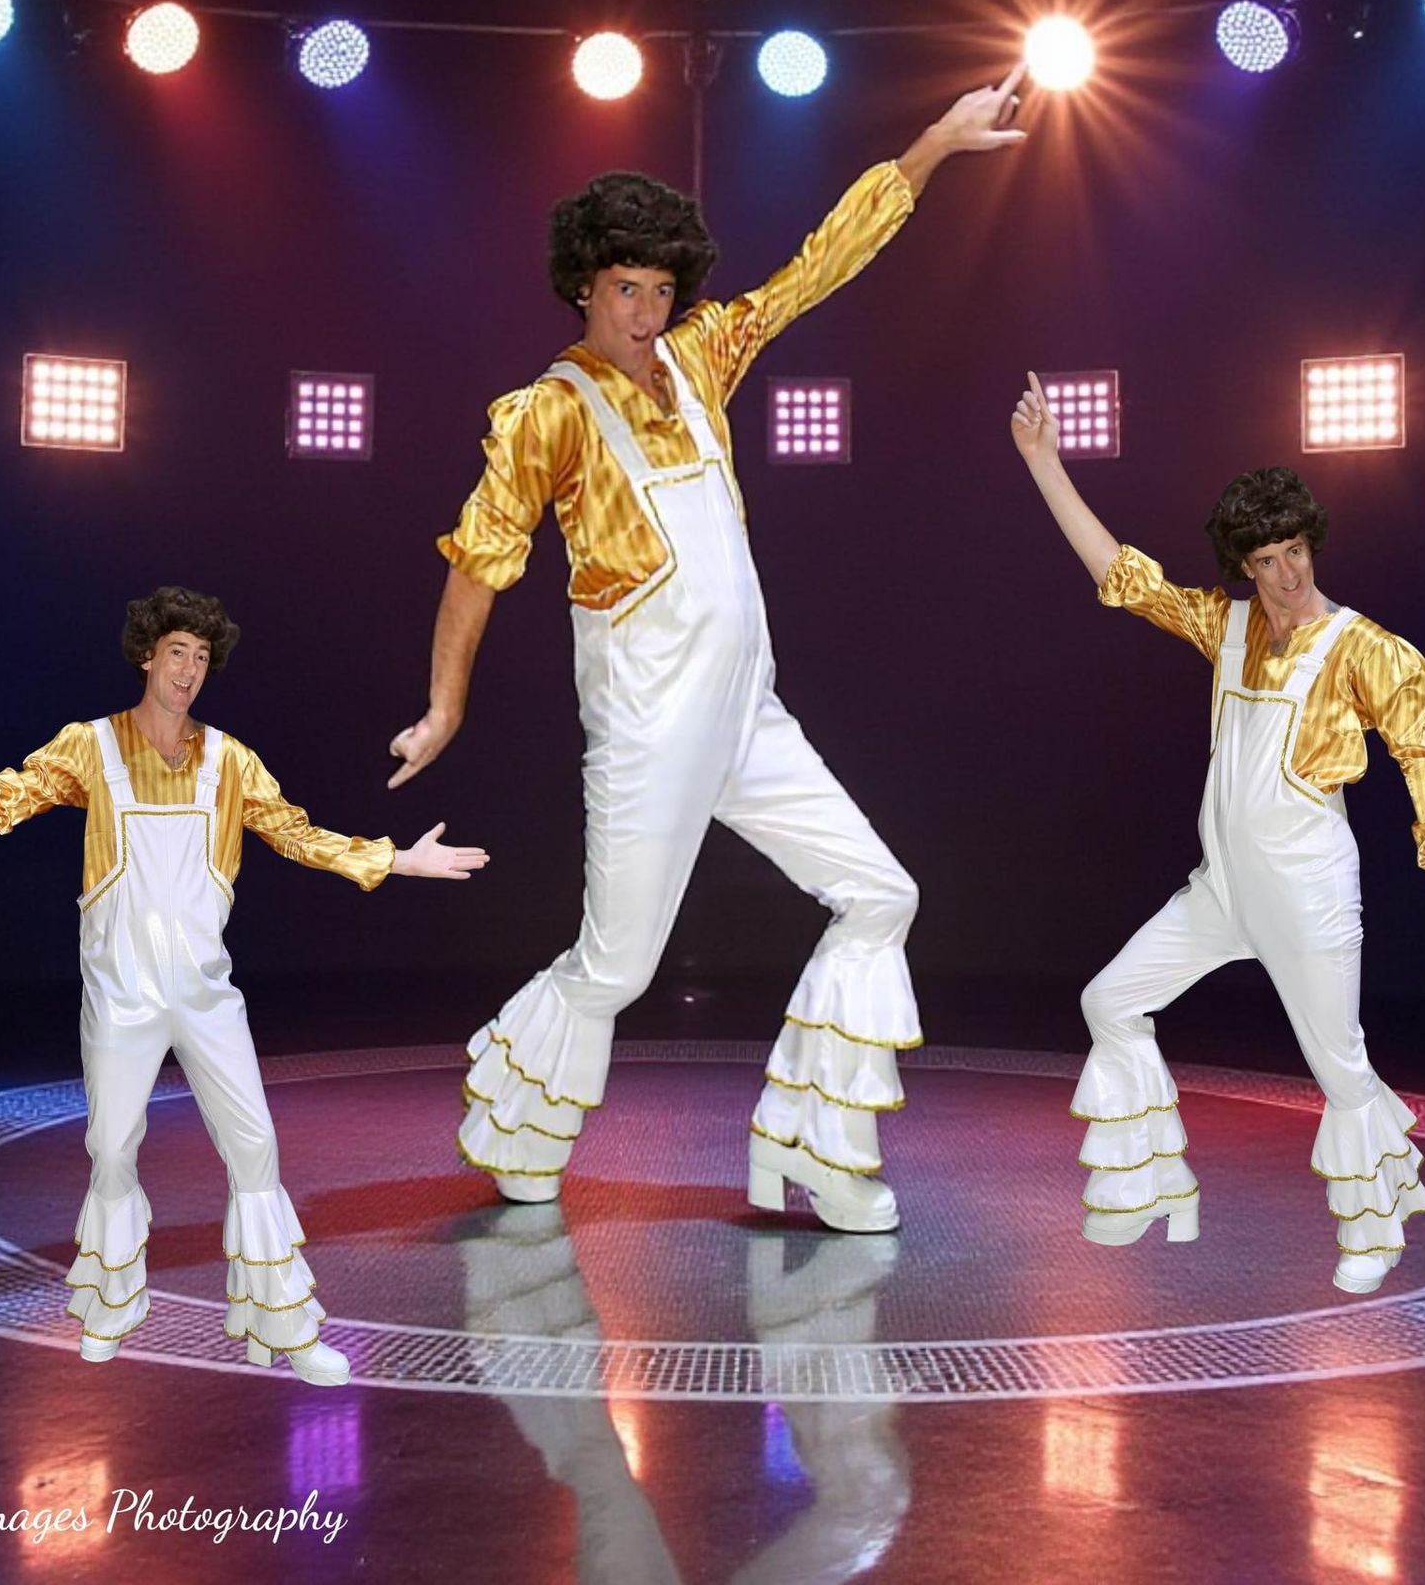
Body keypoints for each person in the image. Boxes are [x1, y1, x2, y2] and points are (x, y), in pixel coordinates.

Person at [389, 74, 1028, 1233]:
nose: (645, 310)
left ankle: (815, 1153)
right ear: (583, 284)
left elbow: (818, 267)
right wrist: (445, 707)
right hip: (648, 727)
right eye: (624, 288)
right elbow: (479, 562)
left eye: (661, 288)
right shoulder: (547, 413)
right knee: (616, 970)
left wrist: (934, 142)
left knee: (883, 894)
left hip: (747, 714)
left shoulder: (702, 357)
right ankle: (518, 1129)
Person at [0, 585, 487, 1381]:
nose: (189, 669)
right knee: (111, 1149)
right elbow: (2, 799)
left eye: (201, 657)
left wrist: (399, 859)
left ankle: (284, 1327)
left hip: (205, 994)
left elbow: (298, 835)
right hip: (122, 997)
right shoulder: (91, 747)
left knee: (256, 1148)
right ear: (147, 655)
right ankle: (110, 1305)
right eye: (177, 651)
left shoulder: (230, 759)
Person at [1008, 374, 1425, 1293]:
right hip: (1224, 888)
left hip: (1308, 893)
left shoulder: (1365, 648)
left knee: (1338, 1067)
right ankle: (1154, 1187)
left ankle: (1374, 1232)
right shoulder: (1225, 625)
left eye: (1297, 550)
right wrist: (1044, 463)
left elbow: (1420, 755)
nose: (1288, 573)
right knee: (1109, 1002)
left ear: (1313, 544)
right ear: (1245, 565)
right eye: (1268, 558)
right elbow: (1122, 576)